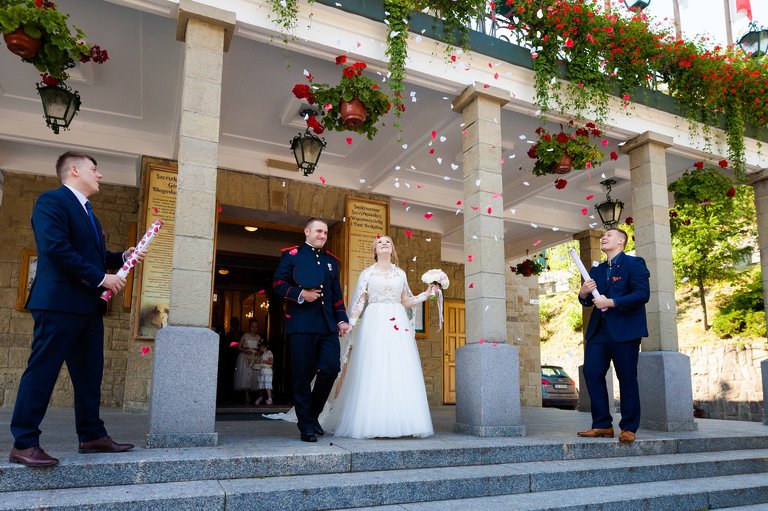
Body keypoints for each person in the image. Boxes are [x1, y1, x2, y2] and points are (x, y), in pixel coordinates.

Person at [9, 151, 142, 467]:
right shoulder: (51, 202)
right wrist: (102, 278)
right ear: (73, 170)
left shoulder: (89, 214)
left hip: (88, 308)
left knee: (89, 375)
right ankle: (24, 443)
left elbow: (90, 254)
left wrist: (120, 257)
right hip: (58, 304)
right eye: (94, 169)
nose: (99, 175)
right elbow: (56, 248)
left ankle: (92, 434)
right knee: (43, 372)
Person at [322, 235, 436, 439]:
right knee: (374, 366)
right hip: (374, 321)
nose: (384, 244)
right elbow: (359, 301)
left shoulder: (400, 273)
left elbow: (406, 300)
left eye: (388, 242)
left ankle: (401, 421)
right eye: (380, 242)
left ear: (392, 249)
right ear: (374, 249)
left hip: (397, 320)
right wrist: (351, 323)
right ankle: (370, 422)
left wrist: (426, 294)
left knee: (398, 368)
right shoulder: (368, 273)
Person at [272, 217, 351, 442]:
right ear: (307, 231)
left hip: (327, 326)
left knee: (331, 368)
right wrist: (301, 294)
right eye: (318, 231)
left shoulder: (331, 262)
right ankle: (305, 424)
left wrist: (341, 320)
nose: (322, 236)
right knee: (302, 377)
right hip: (302, 325)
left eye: (325, 233)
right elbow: (278, 284)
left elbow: (336, 295)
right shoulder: (292, 255)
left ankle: (312, 416)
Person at [577, 227, 650, 444]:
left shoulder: (635, 264)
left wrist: (611, 302)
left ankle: (628, 427)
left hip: (625, 331)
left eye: (609, 235)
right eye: (603, 236)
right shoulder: (597, 270)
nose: (604, 238)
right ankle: (602, 424)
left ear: (621, 241)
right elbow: (588, 300)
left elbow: (642, 294)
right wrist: (582, 293)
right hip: (599, 331)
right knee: (591, 373)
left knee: (626, 378)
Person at [233, 319, 262, 405]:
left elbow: (261, 349)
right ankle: (247, 397)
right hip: (245, 357)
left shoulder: (259, 337)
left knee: (255, 376)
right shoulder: (245, 335)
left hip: (255, 357)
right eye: (253, 326)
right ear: (249, 327)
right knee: (246, 376)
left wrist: (259, 352)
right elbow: (238, 346)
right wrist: (245, 351)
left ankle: (257, 397)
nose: (254, 328)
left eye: (256, 327)